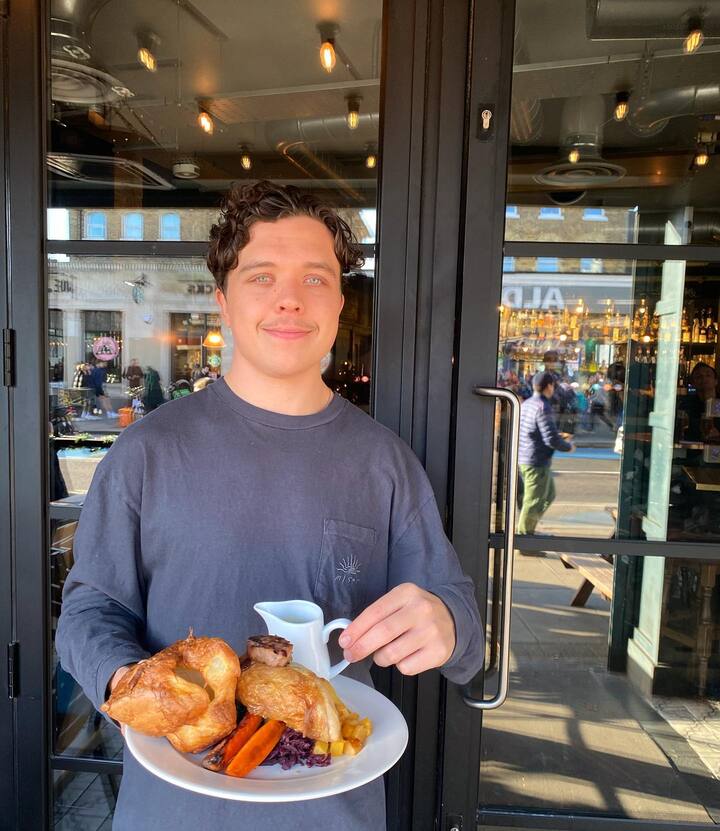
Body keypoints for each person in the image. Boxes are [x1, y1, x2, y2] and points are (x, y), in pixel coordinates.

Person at [55, 181, 484, 831]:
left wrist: (447, 623)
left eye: (316, 278)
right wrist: (132, 685)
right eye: (262, 276)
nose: (290, 297)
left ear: (340, 303)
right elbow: (89, 610)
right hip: (173, 813)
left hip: (336, 813)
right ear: (224, 301)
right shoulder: (147, 451)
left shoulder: (385, 462)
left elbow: (463, 625)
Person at [517, 370, 575, 549]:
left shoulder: (528, 404)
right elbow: (550, 438)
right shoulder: (543, 407)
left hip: (527, 456)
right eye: (553, 385)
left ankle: (529, 531)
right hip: (536, 460)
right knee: (534, 501)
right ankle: (525, 540)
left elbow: (536, 431)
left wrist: (558, 435)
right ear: (549, 386)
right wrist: (568, 446)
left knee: (548, 495)